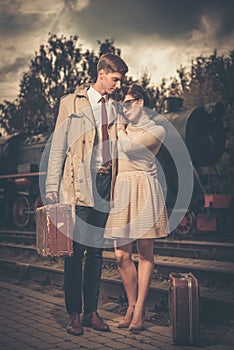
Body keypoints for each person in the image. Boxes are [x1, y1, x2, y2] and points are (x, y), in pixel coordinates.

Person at [45, 53, 128, 336]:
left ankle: (92, 312)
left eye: (120, 80)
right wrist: (50, 185)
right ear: (102, 74)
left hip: (105, 185)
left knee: (95, 252)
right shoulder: (71, 103)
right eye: (115, 79)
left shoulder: (116, 109)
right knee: (74, 253)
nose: (118, 84)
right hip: (78, 186)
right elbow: (58, 146)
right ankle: (73, 315)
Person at [105, 84, 169, 332]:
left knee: (144, 253)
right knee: (121, 255)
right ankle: (130, 305)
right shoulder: (121, 130)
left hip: (143, 189)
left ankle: (140, 309)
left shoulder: (157, 129)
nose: (123, 109)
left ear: (140, 102)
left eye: (127, 103)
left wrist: (119, 129)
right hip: (121, 190)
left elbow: (128, 148)